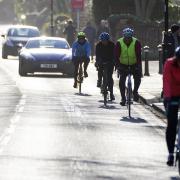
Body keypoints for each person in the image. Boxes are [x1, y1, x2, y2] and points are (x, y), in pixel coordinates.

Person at [114, 28, 142, 106]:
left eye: (129, 38)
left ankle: (135, 91)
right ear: (123, 36)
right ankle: (123, 98)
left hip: (134, 64)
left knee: (138, 77)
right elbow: (116, 56)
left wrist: (138, 66)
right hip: (123, 64)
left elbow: (139, 55)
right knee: (122, 81)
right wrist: (118, 66)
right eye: (126, 38)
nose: (127, 39)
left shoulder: (136, 42)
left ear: (131, 37)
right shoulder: (119, 42)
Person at [163, 46, 180, 166]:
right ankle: (170, 153)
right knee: (172, 125)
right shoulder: (169, 64)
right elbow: (167, 81)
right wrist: (168, 98)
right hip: (172, 96)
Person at [95, 32, 115, 101]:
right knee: (100, 70)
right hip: (101, 60)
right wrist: (97, 62)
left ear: (108, 40)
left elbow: (114, 55)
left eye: (105, 40)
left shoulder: (112, 45)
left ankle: (111, 93)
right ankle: (99, 80)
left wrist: (114, 62)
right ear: (100, 40)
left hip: (110, 61)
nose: (104, 42)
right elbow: (97, 55)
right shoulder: (98, 45)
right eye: (102, 40)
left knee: (109, 77)